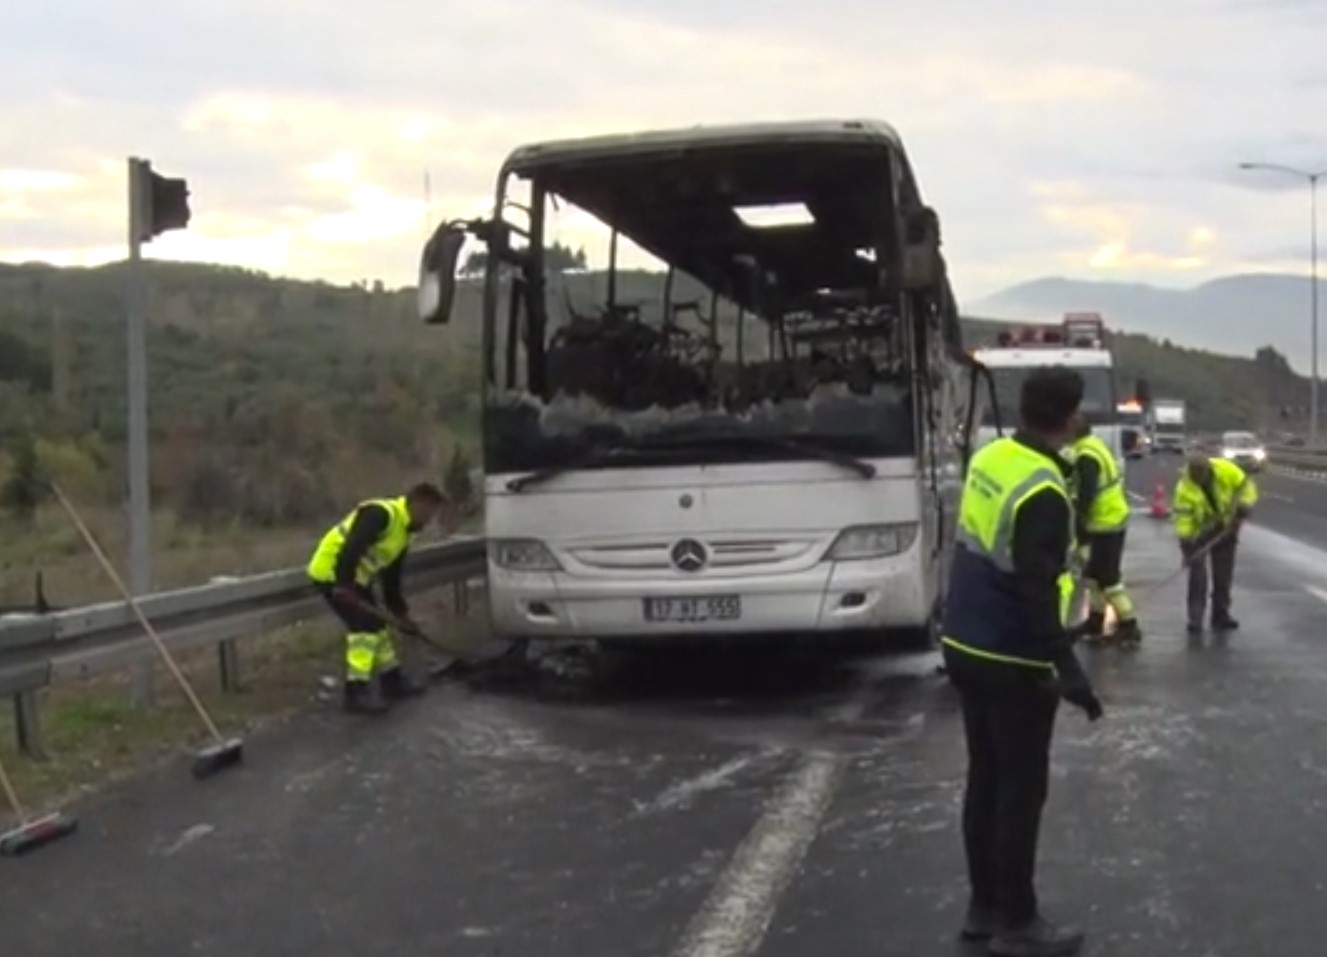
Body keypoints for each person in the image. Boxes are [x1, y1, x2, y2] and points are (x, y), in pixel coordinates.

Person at [941, 366, 1102, 957]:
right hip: (1009, 654)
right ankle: (1018, 922)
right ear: (1069, 416)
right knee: (1020, 790)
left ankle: (983, 909)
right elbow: (1035, 591)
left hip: (963, 640)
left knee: (985, 778)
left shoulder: (992, 457)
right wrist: (1069, 672)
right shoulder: (1043, 492)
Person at [307, 483, 449, 714]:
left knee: (379, 626)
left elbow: (391, 577)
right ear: (417, 504)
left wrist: (400, 613)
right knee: (364, 627)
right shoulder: (380, 513)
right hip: (331, 573)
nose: (429, 520)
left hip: (356, 579)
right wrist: (343, 585)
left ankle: (392, 682)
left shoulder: (404, 533)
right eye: (429, 513)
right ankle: (356, 693)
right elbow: (352, 547)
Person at [1065, 415, 1140, 644]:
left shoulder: (1086, 456)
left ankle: (1129, 624)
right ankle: (1095, 621)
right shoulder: (1092, 446)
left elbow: (1085, 495)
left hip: (1104, 522)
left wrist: (1080, 528)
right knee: (1093, 575)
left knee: (1107, 577)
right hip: (1110, 517)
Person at [1173, 453, 1257, 634]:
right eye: (1196, 478)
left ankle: (1220, 615)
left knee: (1223, 574)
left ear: (1208, 470)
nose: (1199, 481)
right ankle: (1195, 619)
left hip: (1226, 526)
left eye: (1201, 477)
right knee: (1198, 577)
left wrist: (1244, 505)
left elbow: (1247, 487)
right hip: (1200, 531)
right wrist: (1187, 545)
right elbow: (1183, 520)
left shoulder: (1227, 470)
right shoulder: (1184, 489)